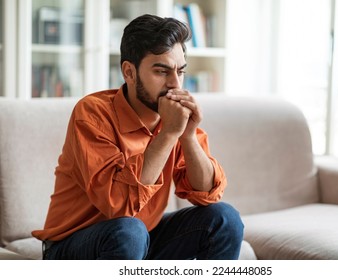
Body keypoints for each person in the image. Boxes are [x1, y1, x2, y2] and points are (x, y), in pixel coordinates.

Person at [32, 14, 243, 260]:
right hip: (73, 244)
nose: (175, 84)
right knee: (129, 231)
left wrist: (187, 136)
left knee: (224, 219)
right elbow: (118, 205)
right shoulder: (92, 114)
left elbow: (207, 193)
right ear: (129, 72)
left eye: (180, 71)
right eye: (161, 71)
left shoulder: (173, 118)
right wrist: (169, 134)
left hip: (141, 237)